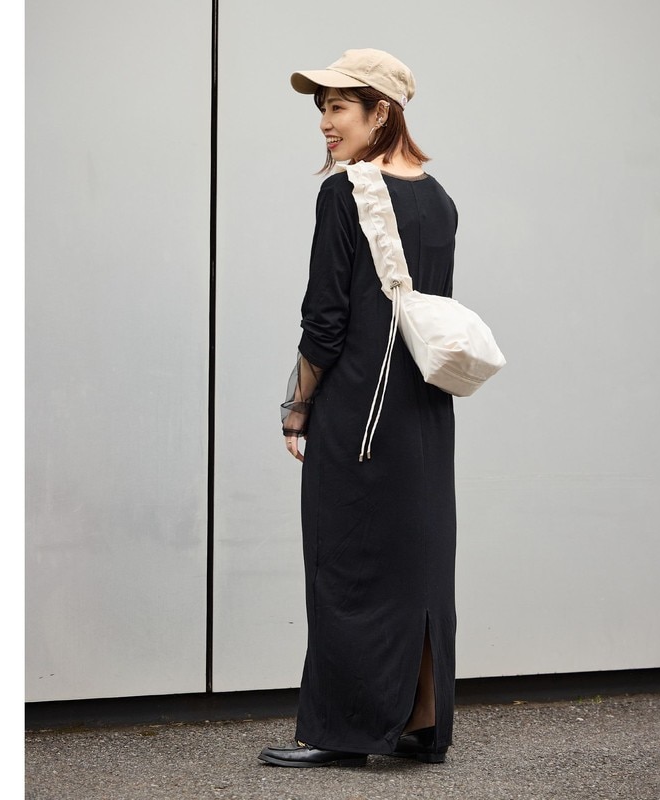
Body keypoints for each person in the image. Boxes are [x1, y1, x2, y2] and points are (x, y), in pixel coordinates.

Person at [259, 49, 459, 768]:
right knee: (416, 563)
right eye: (322, 107)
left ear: (383, 112)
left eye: (340, 106)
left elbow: (326, 320)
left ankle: (343, 732)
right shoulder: (438, 198)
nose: (325, 121)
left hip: (360, 413)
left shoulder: (345, 194)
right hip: (424, 413)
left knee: (343, 564)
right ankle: (420, 723)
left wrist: (298, 405)